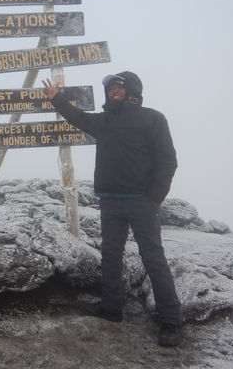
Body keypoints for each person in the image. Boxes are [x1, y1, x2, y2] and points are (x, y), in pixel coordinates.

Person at [43, 71, 182, 347]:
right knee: (110, 255)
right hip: (109, 200)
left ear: (132, 90)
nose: (113, 90)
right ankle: (111, 307)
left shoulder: (152, 118)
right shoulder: (104, 121)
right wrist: (57, 98)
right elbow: (78, 118)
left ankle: (172, 320)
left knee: (153, 258)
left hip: (141, 201)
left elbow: (167, 160)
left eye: (119, 86)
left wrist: (154, 197)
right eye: (110, 88)